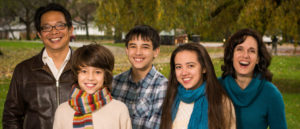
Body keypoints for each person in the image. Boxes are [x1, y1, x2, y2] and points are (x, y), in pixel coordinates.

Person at [2, 3, 75, 129]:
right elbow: (11, 117)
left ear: (70, 29)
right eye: (46, 27)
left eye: (60, 25)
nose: (54, 31)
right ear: (40, 34)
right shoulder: (24, 70)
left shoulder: (86, 67)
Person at [220, 29, 287, 129]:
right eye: (240, 49)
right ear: (232, 55)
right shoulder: (216, 87)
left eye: (252, 51)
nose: (245, 55)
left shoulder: (271, 95)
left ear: (258, 59)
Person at [53, 44, 132, 129]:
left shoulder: (119, 110)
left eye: (97, 72)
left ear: (105, 75)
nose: (90, 78)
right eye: (84, 71)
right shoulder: (62, 111)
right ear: (76, 74)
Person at [160, 43, 236, 129]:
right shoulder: (171, 98)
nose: (184, 73)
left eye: (190, 66)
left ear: (204, 68)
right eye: (178, 67)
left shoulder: (221, 102)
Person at [111, 25, 168, 129]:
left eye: (145, 47)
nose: (138, 52)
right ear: (127, 50)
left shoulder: (163, 87)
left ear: (156, 52)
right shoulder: (114, 82)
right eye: (133, 46)